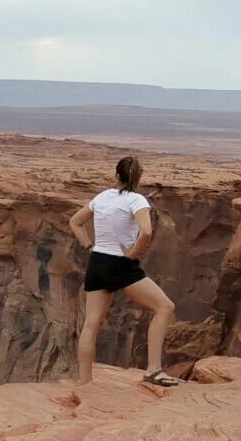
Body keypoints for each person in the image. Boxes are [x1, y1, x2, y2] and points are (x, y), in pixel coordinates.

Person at [70, 156, 178, 385]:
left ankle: (84, 381)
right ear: (138, 178)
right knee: (165, 307)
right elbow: (146, 232)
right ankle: (153, 370)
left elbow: (75, 222)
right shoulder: (136, 200)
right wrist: (132, 254)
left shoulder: (101, 197)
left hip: (97, 261)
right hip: (120, 264)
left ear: (117, 175)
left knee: (91, 323)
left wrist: (89, 245)